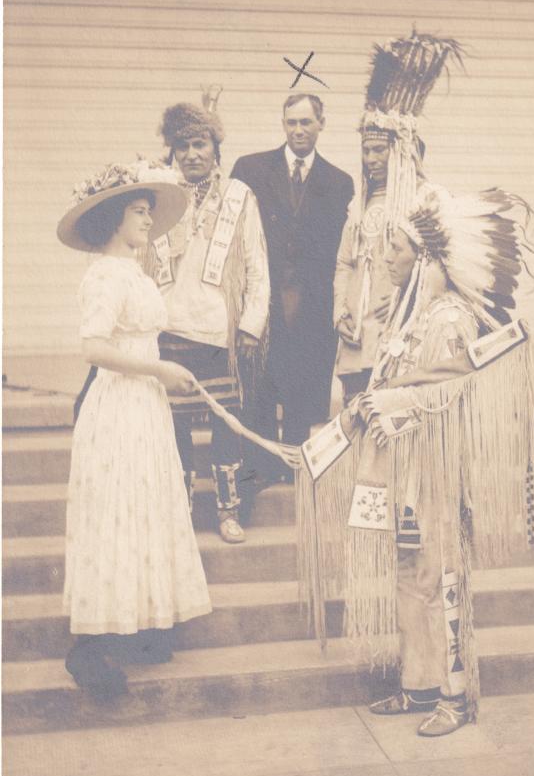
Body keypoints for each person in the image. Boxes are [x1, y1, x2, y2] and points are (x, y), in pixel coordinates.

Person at [296, 32, 534, 737]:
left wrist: (391, 398)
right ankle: (417, 682)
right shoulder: (406, 319)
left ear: (429, 254)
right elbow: (398, 381)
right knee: (409, 571)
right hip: (402, 467)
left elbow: (455, 388)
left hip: (438, 470)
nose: (388, 251)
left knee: (441, 571)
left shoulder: (448, 318)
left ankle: (456, 696)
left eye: (401, 246)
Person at [57, 162, 212, 700]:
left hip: (145, 405)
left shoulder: (137, 273)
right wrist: (158, 371)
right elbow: (94, 349)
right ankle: (94, 642)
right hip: (119, 403)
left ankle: (143, 624)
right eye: (138, 212)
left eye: (149, 212)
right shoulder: (103, 275)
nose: (147, 221)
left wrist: (164, 374)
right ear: (112, 218)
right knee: (116, 509)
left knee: (146, 506)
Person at [141, 92, 270, 544]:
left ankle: (228, 511)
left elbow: (257, 266)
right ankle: (178, 511)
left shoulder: (239, 197)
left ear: (216, 149)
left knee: (226, 425)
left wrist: (251, 325)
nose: (193, 154)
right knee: (172, 426)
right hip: (168, 327)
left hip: (219, 333)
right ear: (172, 152)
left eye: (201, 144)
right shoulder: (157, 197)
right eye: (184, 146)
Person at [231, 94, 354, 483]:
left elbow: (342, 252)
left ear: (321, 124)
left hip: (312, 306)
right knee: (262, 388)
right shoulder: (251, 170)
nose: (298, 130)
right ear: (283, 124)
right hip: (265, 298)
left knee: (305, 386)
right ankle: (264, 469)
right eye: (291, 123)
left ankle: (297, 470)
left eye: (306, 122)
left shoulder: (339, 182)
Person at [334, 127, 429, 405]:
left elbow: (436, 265)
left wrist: (409, 295)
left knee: (391, 416)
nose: (370, 158)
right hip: (357, 331)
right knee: (355, 415)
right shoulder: (359, 204)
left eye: (379, 150)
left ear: (399, 151)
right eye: (366, 150)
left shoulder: (422, 200)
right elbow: (344, 262)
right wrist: (340, 312)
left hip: (398, 325)